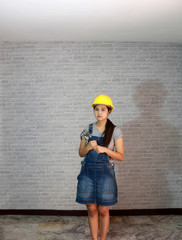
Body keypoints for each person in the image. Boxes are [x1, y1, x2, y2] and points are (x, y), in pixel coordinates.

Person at [76, 94, 124, 240]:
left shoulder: (115, 131)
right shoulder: (87, 130)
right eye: (97, 109)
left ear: (109, 111)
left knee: (103, 209)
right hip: (87, 172)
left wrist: (105, 149)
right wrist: (89, 147)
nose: (99, 112)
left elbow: (120, 156)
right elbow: (80, 153)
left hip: (105, 174)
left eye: (103, 109)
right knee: (91, 209)